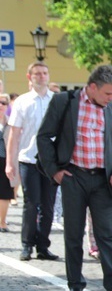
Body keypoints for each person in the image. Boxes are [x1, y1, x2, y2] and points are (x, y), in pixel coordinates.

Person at [36, 65, 112, 291]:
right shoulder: (65, 101)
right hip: (73, 176)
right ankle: (75, 284)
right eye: (108, 93)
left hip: (102, 179)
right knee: (73, 232)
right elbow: (44, 137)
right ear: (92, 87)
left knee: (106, 234)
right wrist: (55, 171)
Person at [6, 61, 59, 261]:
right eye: (37, 73)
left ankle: (43, 246)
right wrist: (10, 163)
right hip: (28, 159)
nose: (41, 76)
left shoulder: (56, 100)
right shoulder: (22, 101)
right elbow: (14, 135)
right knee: (31, 203)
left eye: (44, 73)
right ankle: (27, 245)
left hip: (50, 162)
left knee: (48, 205)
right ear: (30, 77)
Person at [0, 94, 14, 231]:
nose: (0, 105)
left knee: (4, 193)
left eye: (3, 103)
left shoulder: (11, 122)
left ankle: (2, 222)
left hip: (5, 159)